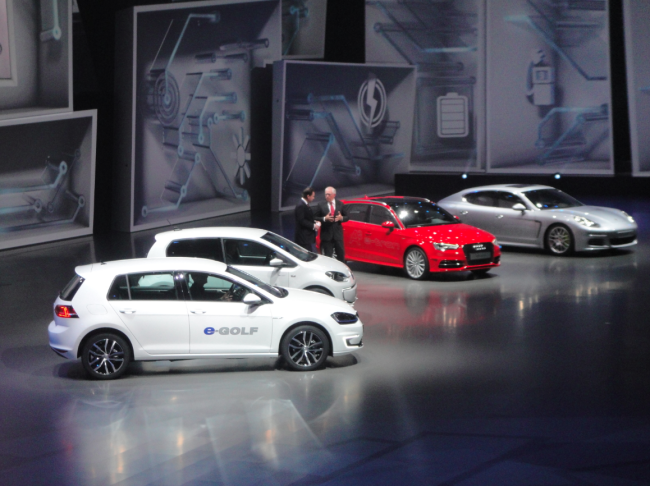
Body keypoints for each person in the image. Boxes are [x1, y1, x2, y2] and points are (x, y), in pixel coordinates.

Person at [313, 186, 348, 262]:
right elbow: (315, 217)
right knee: (328, 258)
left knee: (341, 256)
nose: (327, 196)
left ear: (334, 195)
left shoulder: (340, 204)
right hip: (326, 235)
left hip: (337, 235)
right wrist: (324, 218)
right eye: (326, 194)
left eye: (329, 194)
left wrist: (341, 218)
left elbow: (347, 217)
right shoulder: (321, 205)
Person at [294, 187, 320, 252]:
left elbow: (307, 217)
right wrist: (314, 226)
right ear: (308, 196)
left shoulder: (305, 204)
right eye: (313, 196)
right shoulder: (301, 205)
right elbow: (301, 220)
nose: (314, 198)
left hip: (305, 239)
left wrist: (314, 221)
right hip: (302, 239)